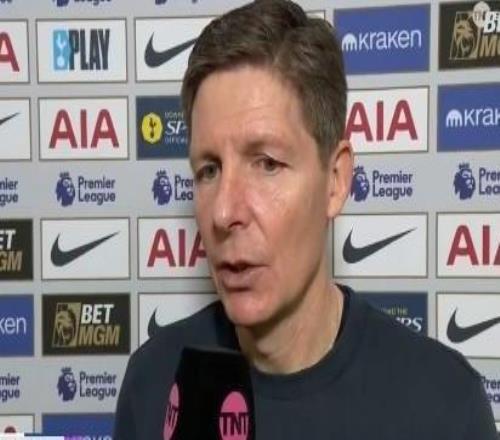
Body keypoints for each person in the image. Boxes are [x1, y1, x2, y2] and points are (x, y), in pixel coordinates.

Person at [114, 1, 497, 438]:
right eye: (209, 170)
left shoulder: (444, 405)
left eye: (267, 164)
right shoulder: (153, 383)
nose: (224, 212)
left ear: (335, 181)